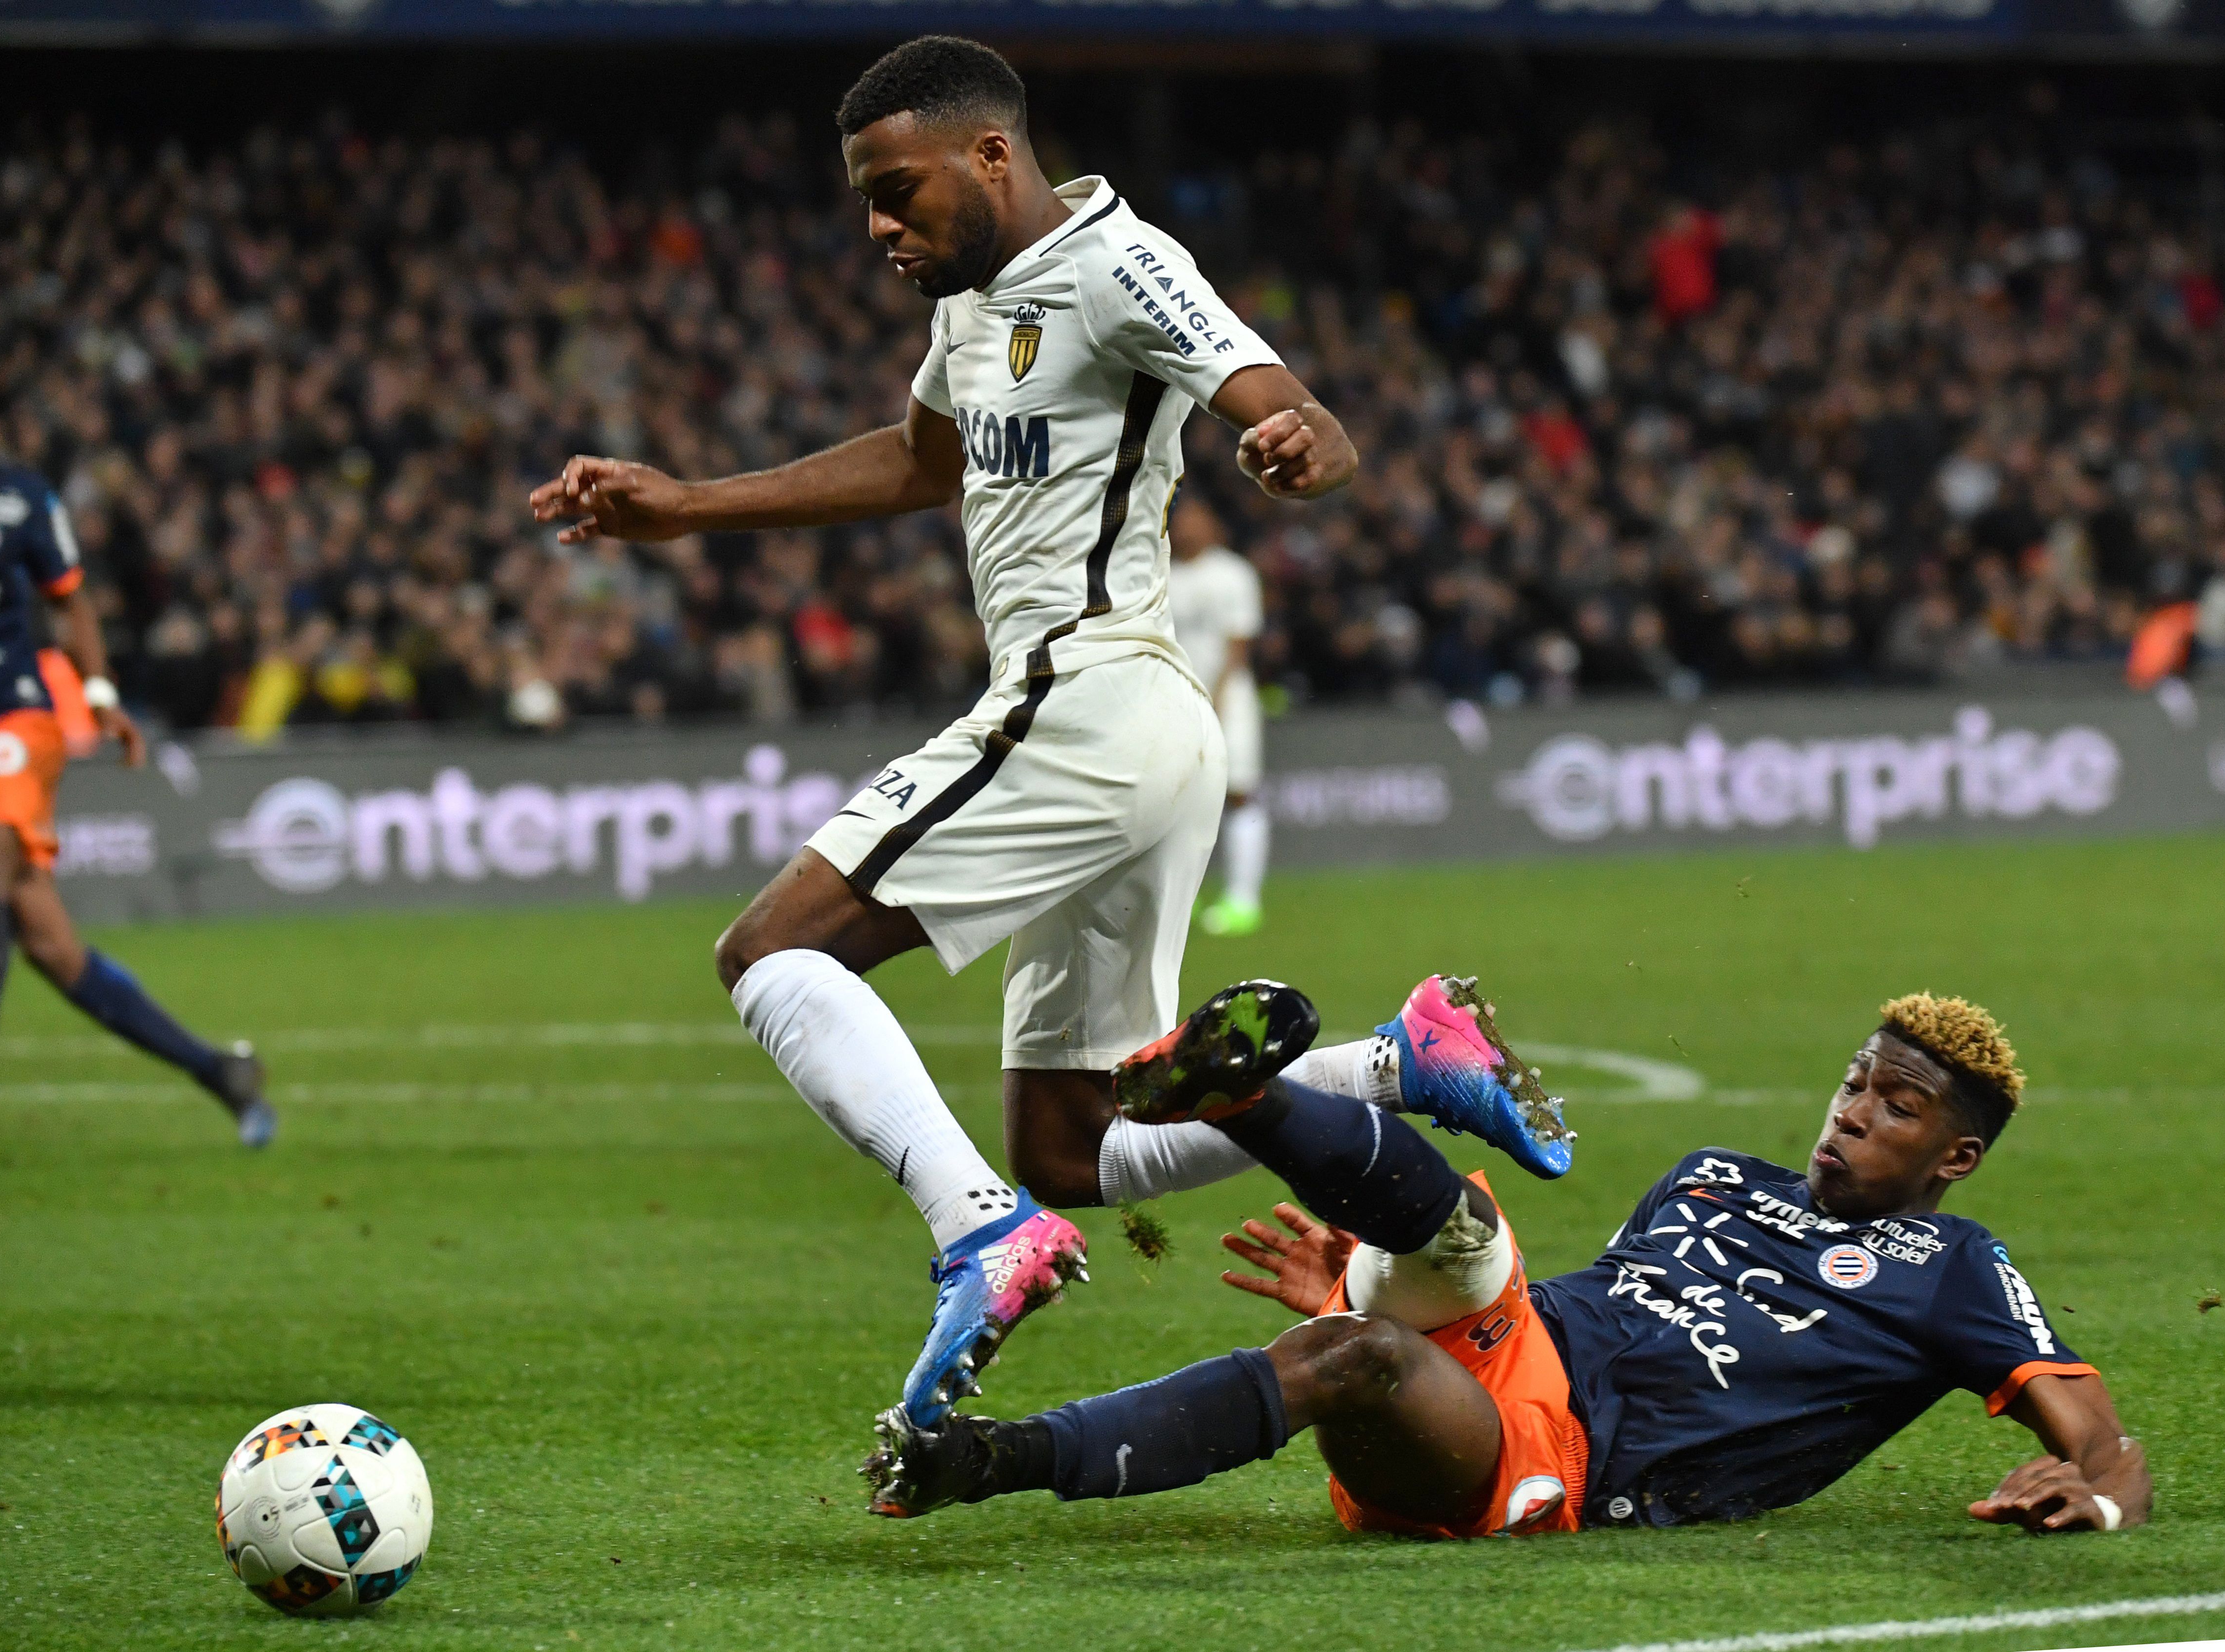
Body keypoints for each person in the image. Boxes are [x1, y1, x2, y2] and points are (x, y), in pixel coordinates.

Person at [531, 36, 1361, 1428]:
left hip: (1087, 698)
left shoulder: (1116, 262)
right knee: (1076, 1148)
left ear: (991, 154)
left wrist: (1300, 443)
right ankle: (1403, 1062)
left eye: (896, 190)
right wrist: (687, 507)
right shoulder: (975, 301)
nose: (877, 225)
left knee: (770, 952)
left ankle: (976, 1232)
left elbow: (1280, 400)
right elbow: (923, 459)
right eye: (864, 198)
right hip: (1134, 741)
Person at [865, 985, 2151, 1543]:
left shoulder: (1950, 1264)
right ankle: (1244, 1094)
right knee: (1459, 1251)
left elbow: (2104, 1445)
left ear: (1956, 1154)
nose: (1854, 1110)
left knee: (1355, 1355)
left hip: (1558, 1454)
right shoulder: (1711, 1175)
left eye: (1899, 1106)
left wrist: (2088, 1495)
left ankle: (977, 1460)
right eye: (1854, 1082)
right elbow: (1564, 1306)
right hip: (1513, 1332)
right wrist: (1351, 1267)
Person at [0, 356, 273, 1160]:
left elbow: (70, 599)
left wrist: (97, 696)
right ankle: (220, 1072)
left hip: (9, 714)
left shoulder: (21, 495)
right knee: (51, 946)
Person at [1164, 495, 1268, 936]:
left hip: (1228, 698)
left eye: (1193, 518)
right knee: (1171, 799)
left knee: (1239, 792)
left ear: (1211, 523)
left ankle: (1244, 899)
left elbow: (1238, 645)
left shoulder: (1232, 573)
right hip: (1171, 701)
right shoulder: (1159, 573)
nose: (1185, 527)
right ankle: (1179, 898)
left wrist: (1216, 701)